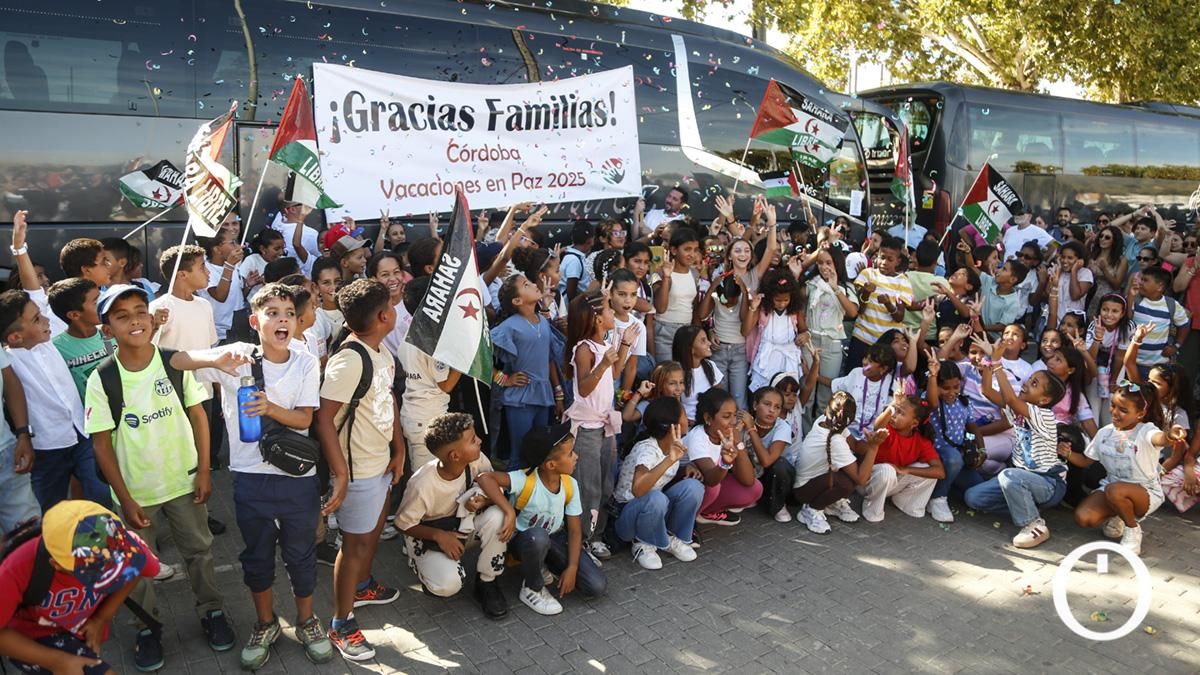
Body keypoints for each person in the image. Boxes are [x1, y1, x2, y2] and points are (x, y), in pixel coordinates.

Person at [165, 283, 333, 668]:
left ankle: (307, 621)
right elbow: (176, 361)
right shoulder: (239, 358)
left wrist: (270, 408)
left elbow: (305, 419)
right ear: (255, 321)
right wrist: (215, 358)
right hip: (250, 478)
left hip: (296, 478)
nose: (283, 320)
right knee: (256, 557)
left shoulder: (305, 361)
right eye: (272, 313)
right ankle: (265, 623)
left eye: (289, 313)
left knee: (301, 555)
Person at [84, 284, 232, 671]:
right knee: (136, 566)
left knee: (199, 551)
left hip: (183, 481)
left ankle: (212, 610)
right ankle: (147, 628)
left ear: (151, 319)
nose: (134, 320)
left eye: (139, 311)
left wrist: (203, 469)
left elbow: (198, 415)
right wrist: (125, 499)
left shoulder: (172, 362)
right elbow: (101, 444)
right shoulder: (103, 378)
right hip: (136, 490)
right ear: (107, 329)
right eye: (122, 316)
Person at [313, 279, 404, 661]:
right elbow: (324, 420)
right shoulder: (349, 359)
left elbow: (387, 401)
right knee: (354, 547)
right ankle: (341, 623)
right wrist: (342, 474)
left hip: (380, 463)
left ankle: (362, 586)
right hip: (359, 470)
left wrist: (398, 448)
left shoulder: (379, 350)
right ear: (384, 316)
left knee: (368, 539)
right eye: (391, 305)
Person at [0, 501, 159, 675]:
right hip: (31, 636)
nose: (111, 574)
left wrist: (101, 618)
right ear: (57, 564)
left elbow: (137, 568)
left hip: (78, 629)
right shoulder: (15, 569)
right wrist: (56, 662)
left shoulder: (121, 541)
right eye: (96, 572)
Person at [476, 423, 607, 615]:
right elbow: (484, 478)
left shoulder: (570, 484)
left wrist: (572, 567)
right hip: (523, 540)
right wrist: (509, 511)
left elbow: (574, 530)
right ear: (551, 465)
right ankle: (532, 587)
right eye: (571, 453)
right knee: (538, 537)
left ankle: (547, 565)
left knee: (596, 586)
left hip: (554, 538)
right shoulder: (525, 480)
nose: (576, 456)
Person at [0, 290, 108, 512]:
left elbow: (33, 290)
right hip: (45, 449)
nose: (47, 320)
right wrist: (24, 435)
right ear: (15, 337)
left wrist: (20, 252)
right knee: (50, 510)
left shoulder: (47, 340)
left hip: (83, 433)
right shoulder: (9, 362)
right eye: (37, 319)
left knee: (102, 495)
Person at [394, 413, 509, 619]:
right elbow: (402, 524)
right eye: (473, 440)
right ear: (455, 456)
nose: (480, 441)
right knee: (448, 585)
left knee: (497, 515)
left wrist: (485, 500)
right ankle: (420, 563)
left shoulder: (477, 460)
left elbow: (494, 489)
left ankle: (487, 582)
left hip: (463, 525)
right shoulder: (422, 484)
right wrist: (440, 536)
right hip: (431, 534)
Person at [963, 335, 1068, 549]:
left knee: (1008, 475)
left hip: (1048, 483)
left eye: (1035, 384)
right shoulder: (1017, 409)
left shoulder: (1044, 415)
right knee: (973, 498)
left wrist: (998, 362)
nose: (1027, 384)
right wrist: (988, 361)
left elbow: (1010, 399)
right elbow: (987, 391)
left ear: (1044, 400)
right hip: (1022, 480)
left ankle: (1034, 525)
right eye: (1029, 380)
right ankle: (1026, 506)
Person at [1065, 382, 1183, 555]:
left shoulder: (1146, 431)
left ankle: (1132, 530)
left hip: (1145, 491)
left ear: (1140, 414)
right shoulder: (1104, 433)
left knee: (1114, 490)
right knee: (1083, 518)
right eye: (1113, 405)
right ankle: (1119, 513)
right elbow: (1085, 461)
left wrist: (1170, 435)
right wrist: (1067, 454)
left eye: (1123, 410)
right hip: (1113, 488)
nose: (1114, 412)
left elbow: (1160, 439)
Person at [563, 291, 634, 561]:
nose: (613, 312)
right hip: (587, 429)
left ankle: (597, 535)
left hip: (606, 428)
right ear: (596, 319)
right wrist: (603, 363)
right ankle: (580, 543)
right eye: (608, 309)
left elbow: (614, 374)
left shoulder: (604, 343)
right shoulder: (584, 348)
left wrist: (624, 346)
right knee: (587, 487)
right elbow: (584, 387)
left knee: (605, 485)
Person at [613, 398, 703, 569]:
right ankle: (643, 543)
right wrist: (669, 460)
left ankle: (671, 536)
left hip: (654, 510)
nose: (688, 418)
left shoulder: (674, 444)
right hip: (627, 516)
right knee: (655, 498)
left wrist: (688, 467)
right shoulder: (647, 449)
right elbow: (638, 490)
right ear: (672, 426)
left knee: (693, 487)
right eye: (683, 414)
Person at [789, 392, 887, 533]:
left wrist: (871, 441)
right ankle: (812, 509)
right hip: (803, 491)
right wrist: (874, 447)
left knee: (859, 459)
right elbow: (861, 479)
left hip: (810, 482)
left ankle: (832, 502)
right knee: (846, 483)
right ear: (849, 418)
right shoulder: (835, 440)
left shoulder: (827, 420)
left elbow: (856, 446)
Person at [491, 273, 561, 467]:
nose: (533, 285)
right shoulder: (508, 327)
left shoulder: (542, 320)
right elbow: (482, 359)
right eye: (526, 284)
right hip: (520, 398)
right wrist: (504, 380)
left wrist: (559, 392)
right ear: (517, 300)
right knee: (520, 452)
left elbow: (549, 358)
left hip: (543, 394)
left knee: (541, 452)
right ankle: (514, 497)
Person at [397, 277, 463, 469]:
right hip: (426, 418)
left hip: (416, 414)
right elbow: (446, 385)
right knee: (425, 478)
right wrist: (463, 361)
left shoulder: (412, 331)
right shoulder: (431, 340)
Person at [860, 393, 945, 523]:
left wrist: (905, 469)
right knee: (887, 470)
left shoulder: (920, 440)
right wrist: (892, 406)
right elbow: (877, 426)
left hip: (892, 481)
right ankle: (873, 510)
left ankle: (906, 503)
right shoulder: (887, 429)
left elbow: (940, 472)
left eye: (901, 413)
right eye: (895, 410)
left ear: (914, 423)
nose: (894, 415)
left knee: (928, 471)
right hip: (867, 483)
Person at [685, 388, 763, 526]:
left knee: (755, 488)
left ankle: (707, 512)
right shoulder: (697, 438)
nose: (733, 422)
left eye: (734, 415)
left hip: (708, 487)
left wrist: (738, 443)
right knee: (713, 487)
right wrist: (725, 463)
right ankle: (688, 523)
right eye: (727, 416)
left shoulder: (727, 435)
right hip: (684, 489)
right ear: (708, 418)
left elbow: (748, 480)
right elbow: (711, 479)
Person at [925, 358, 982, 524]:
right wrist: (933, 377)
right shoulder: (932, 400)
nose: (951, 392)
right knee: (953, 458)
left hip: (958, 456)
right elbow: (932, 401)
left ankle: (945, 488)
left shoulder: (964, 402)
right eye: (945, 388)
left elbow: (973, 427)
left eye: (956, 387)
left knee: (975, 488)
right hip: (937, 453)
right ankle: (937, 498)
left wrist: (982, 450)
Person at [806, 244, 858, 414]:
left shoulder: (846, 287)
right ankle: (803, 436)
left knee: (825, 397)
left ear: (837, 263)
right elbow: (799, 307)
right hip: (810, 341)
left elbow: (852, 312)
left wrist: (835, 288)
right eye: (820, 263)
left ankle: (821, 436)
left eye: (829, 262)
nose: (824, 267)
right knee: (807, 393)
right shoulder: (811, 284)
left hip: (832, 344)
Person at [847, 235, 912, 372]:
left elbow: (899, 316)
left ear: (898, 261)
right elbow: (860, 310)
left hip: (886, 345)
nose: (884, 262)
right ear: (877, 256)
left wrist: (888, 304)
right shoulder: (867, 275)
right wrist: (866, 293)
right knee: (854, 375)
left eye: (890, 259)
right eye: (882, 257)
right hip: (862, 337)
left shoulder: (903, 282)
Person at [747, 269, 809, 392]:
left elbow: (803, 329)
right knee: (765, 391)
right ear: (770, 297)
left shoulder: (795, 311)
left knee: (788, 391)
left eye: (786, 300)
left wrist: (805, 335)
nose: (782, 304)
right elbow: (745, 330)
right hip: (767, 356)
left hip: (789, 356)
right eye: (778, 300)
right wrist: (753, 308)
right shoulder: (762, 310)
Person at [741, 386, 795, 523]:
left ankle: (778, 505)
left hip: (778, 479)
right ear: (755, 405)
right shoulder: (744, 423)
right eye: (766, 404)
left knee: (779, 465)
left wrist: (751, 429)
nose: (772, 410)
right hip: (753, 473)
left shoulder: (783, 427)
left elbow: (766, 461)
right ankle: (749, 495)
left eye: (777, 407)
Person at [652, 227, 702, 364]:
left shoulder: (694, 274)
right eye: (687, 249)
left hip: (686, 331)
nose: (692, 254)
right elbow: (660, 308)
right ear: (674, 250)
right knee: (667, 376)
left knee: (684, 377)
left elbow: (694, 306)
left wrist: (697, 332)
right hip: (664, 331)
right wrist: (667, 278)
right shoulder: (660, 273)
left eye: (695, 249)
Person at [1128, 265, 1190, 375]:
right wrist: (1130, 297)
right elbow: (1128, 319)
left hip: (1157, 367)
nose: (1140, 282)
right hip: (1131, 362)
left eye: (1145, 280)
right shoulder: (1136, 299)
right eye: (1141, 279)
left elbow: (1184, 325)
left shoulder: (1171, 305)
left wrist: (1176, 346)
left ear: (1160, 287)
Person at [672, 325, 722, 422]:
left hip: (708, 423)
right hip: (686, 424)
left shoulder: (710, 365)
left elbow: (720, 396)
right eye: (703, 340)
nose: (709, 343)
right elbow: (673, 405)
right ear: (690, 348)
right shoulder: (676, 372)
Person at [239, 228, 286, 302]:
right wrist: (248, 285)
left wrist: (266, 283)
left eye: (283, 248)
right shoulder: (252, 261)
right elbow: (239, 296)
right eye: (277, 249)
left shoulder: (285, 262)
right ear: (263, 249)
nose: (281, 253)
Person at [559, 221, 595, 301]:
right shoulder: (574, 260)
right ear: (590, 241)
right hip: (570, 308)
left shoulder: (575, 255)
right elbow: (571, 294)